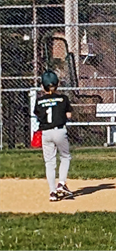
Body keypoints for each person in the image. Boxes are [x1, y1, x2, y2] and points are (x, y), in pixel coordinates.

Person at [34, 71, 73, 202]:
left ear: (42, 86)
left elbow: (38, 115)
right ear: (57, 85)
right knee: (65, 156)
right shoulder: (63, 99)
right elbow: (69, 115)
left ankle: (52, 192)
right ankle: (61, 183)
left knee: (49, 163)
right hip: (60, 130)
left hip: (46, 133)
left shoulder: (39, 101)